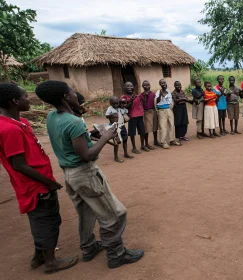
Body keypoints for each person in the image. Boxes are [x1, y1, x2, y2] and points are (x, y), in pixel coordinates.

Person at [35, 80, 144, 269]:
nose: (76, 95)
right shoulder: (74, 121)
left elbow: (70, 140)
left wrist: (90, 134)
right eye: (72, 92)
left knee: (86, 213)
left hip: (70, 175)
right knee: (115, 214)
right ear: (65, 97)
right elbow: (87, 155)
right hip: (85, 174)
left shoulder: (52, 116)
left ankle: (89, 247)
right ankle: (116, 254)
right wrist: (105, 136)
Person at [0, 83, 78, 274]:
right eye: (26, 96)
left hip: (38, 182)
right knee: (47, 221)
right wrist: (48, 182)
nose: (29, 99)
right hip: (36, 186)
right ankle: (51, 261)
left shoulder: (21, 123)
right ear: (14, 101)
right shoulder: (10, 130)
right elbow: (19, 165)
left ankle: (39, 256)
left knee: (41, 220)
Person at [105, 96, 132, 162]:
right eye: (113, 103)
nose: (115, 105)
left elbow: (126, 111)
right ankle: (116, 157)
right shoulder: (110, 108)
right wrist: (112, 115)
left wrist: (123, 103)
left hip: (122, 126)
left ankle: (125, 153)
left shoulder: (120, 108)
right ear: (110, 103)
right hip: (115, 127)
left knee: (125, 139)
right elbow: (106, 115)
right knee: (116, 141)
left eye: (117, 103)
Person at [121, 82, 145, 154]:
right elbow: (126, 107)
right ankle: (134, 148)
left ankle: (142, 146)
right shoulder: (123, 97)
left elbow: (142, 103)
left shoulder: (137, 96)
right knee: (132, 133)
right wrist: (131, 100)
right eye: (127, 86)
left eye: (131, 86)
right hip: (132, 116)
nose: (129, 88)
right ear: (124, 88)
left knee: (142, 131)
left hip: (140, 115)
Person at [156, 79, 181, 148]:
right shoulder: (158, 92)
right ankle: (163, 142)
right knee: (163, 126)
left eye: (164, 83)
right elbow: (157, 101)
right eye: (162, 83)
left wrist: (171, 107)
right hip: (162, 110)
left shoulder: (168, 92)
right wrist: (160, 95)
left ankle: (172, 140)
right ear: (160, 85)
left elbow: (170, 101)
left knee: (171, 125)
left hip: (169, 110)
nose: (164, 84)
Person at [140, 80, 159, 150]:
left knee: (155, 127)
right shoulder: (141, 95)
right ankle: (146, 144)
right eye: (145, 85)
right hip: (146, 112)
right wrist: (146, 96)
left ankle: (155, 141)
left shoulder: (153, 94)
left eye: (148, 85)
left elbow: (156, 102)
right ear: (142, 86)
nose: (147, 87)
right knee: (147, 128)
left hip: (153, 111)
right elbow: (143, 105)